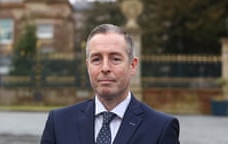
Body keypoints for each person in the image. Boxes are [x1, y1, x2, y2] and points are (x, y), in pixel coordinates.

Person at [41, 24, 180, 144]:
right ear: (87, 66)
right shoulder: (59, 122)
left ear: (132, 65)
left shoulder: (161, 128)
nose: (105, 68)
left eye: (115, 59)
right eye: (96, 59)